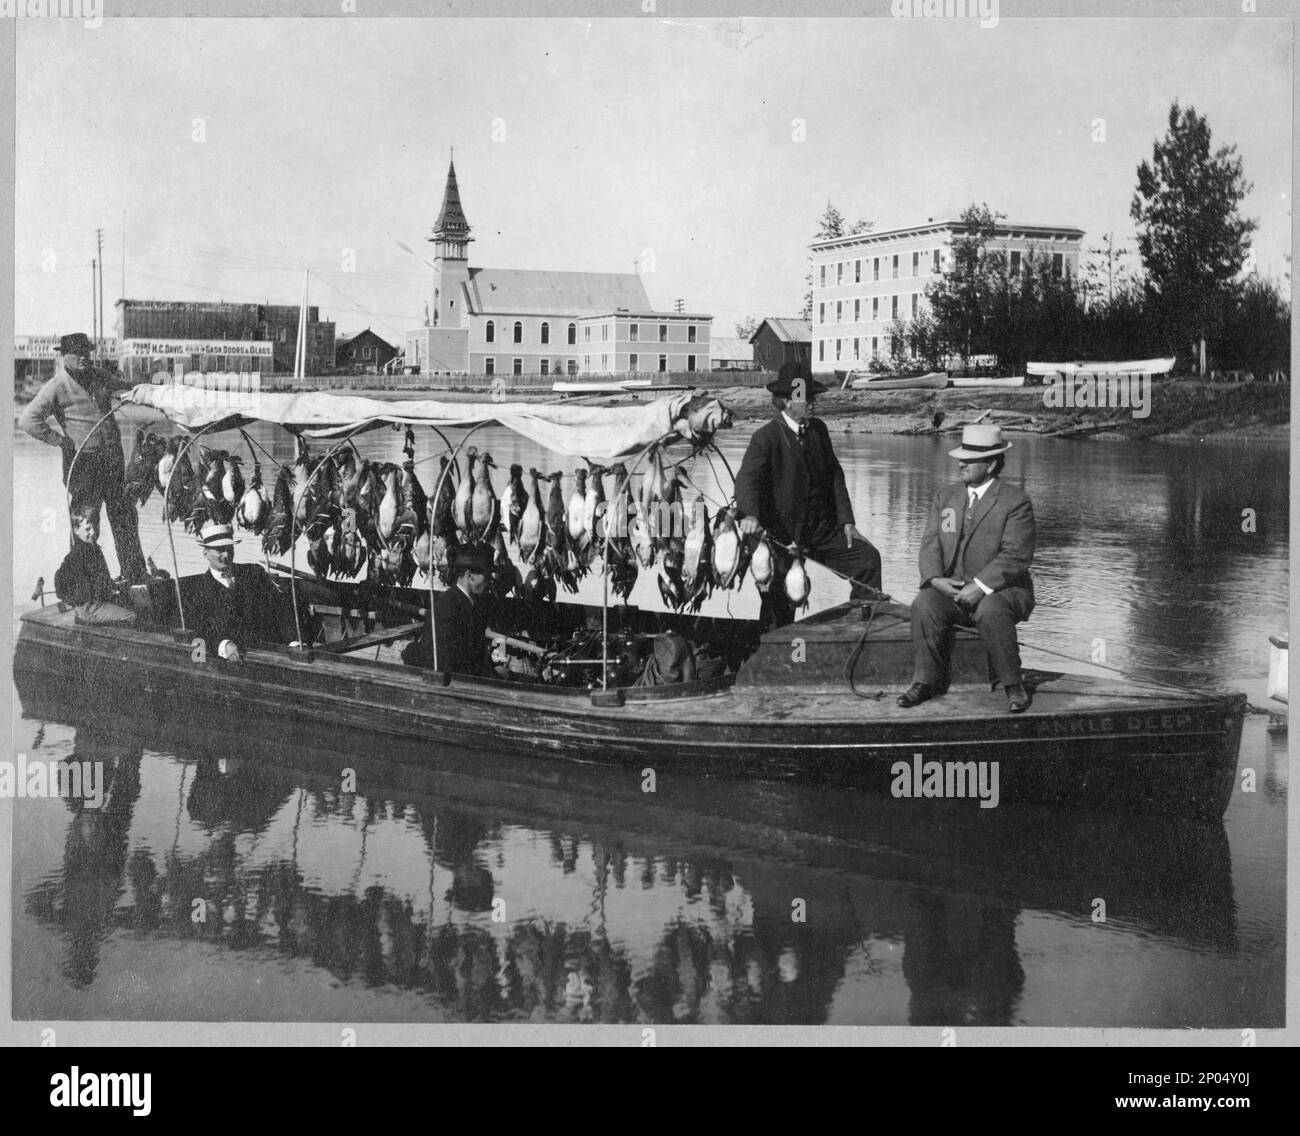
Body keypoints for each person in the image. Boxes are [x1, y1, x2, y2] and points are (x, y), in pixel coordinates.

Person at [897, 424, 1036, 714]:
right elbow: (931, 543)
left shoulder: (1015, 501)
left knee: (990, 609)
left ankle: (1013, 685)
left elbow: (1016, 555)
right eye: (961, 457)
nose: (961, 463)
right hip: (954, 588)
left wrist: (981, 586)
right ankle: (925, 681)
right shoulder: (946, 498)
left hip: (1003, 590)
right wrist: (935, 580)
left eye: (969, 460)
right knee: (924, 604)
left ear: (992, 464)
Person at [734, 360, 882, 626]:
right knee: (780, 603)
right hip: (780, 536)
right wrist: (751, 516)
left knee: (867, 559)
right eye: (806, 397)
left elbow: (835, 475)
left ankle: (862, 627)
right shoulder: (765, 437)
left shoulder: (819, 430)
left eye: (814, 396)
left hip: (820, 532)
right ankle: (774, 654)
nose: (813, 402)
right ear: (786, 401)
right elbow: (747, 481)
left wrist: (846, 521)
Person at [19, 332, 147, 583]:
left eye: (87, 353)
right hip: (83, 464)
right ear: (64, 356)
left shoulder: (99, 376)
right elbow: (28, 421)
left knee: (123, 516)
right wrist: (61, 441)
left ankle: (135, 577)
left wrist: (149, 391)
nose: (84, 358)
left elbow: (126, 388)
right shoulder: (56, 387)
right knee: (85, 523)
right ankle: (86, 584)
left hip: (112, 459)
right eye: (79, 354)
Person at [178, 522, 302, 662]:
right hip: (231, 662)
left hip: (270, 654)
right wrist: (223, 646)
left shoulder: (254, 573)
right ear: (206, 553)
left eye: (229, 549)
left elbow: (281, 609)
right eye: (220, 550)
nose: (226, 555)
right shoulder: (197, 589)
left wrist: (294, 642)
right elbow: (198, 631)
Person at [402, 544, 497, 676]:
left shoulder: (472, 605)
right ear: (470, 576)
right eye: (487, 577)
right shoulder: (448, 607)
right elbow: (448, 662)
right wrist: (492, 675)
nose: (490, 583)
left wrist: (494, 669)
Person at [53, 504, 137, 626]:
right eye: (88, 529)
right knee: (131, 616)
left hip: (99, 602)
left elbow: (100, 578)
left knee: (135, 605)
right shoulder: (76, 555)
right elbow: (60, 579)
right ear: (76, 530)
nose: (93, 532)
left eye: (95, 528)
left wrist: (112, 585)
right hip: (90, 607)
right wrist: (78, 601)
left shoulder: (94, 549)